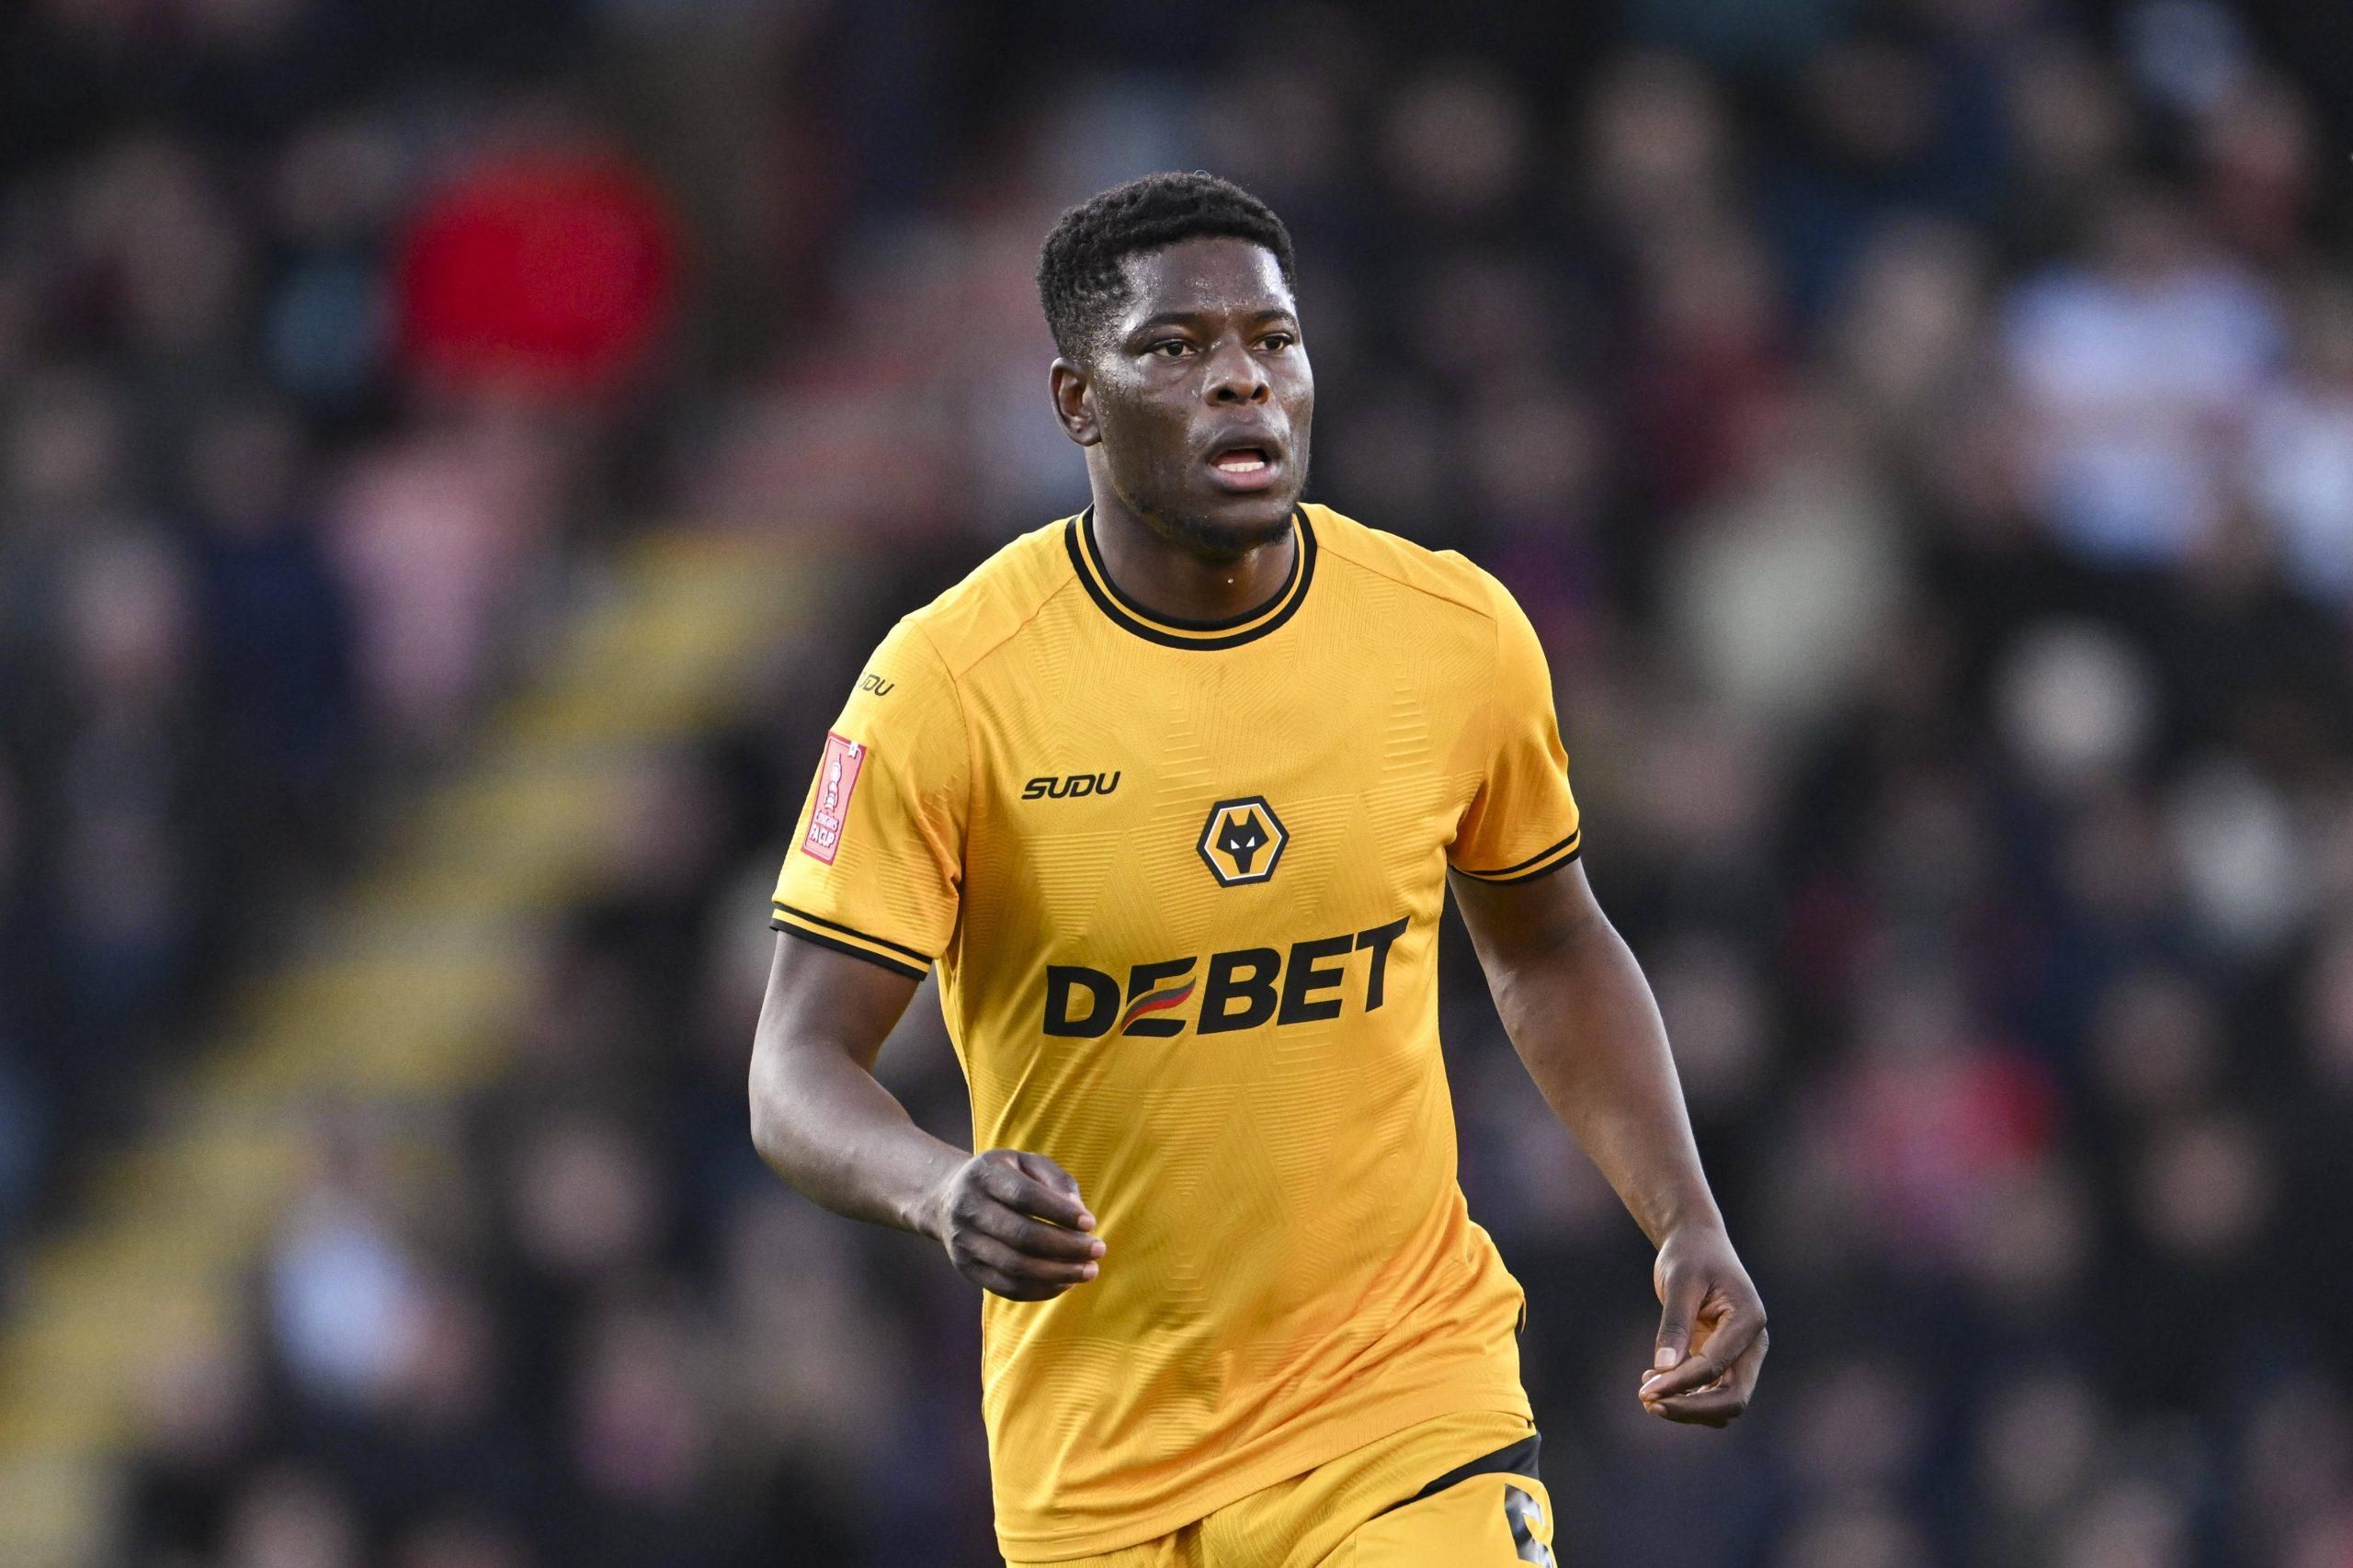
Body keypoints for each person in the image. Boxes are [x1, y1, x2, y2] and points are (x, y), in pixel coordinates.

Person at [747, 170, 1767, 1566]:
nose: (1242, 380)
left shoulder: (1451, 634)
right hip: (1100, 1467)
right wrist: (935, 1187)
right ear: (1075, 402)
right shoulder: (949, 685)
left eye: (1271, 340)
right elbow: (795, 1067)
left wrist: (1682, 1215)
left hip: (1403, 1408)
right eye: (1175, 347)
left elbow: (1548, 941)